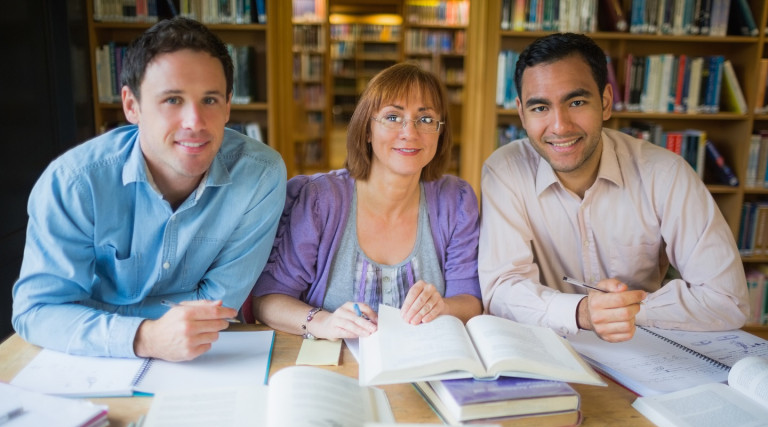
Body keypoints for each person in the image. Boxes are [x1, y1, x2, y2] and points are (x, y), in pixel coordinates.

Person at [12, 17, 286, 360]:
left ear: (228, 105)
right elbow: (38, 311)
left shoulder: (260, 175)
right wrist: (144, 337)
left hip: (207, 357)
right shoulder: (74, 183)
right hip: (90, 365)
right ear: (131, 105)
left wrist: (93, 316)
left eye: (210, 100)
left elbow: (218, 307)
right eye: (172, 99)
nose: (195, 122)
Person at [479, 32, 749, 343]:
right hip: (547, 348)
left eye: (576, 102)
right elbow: (501, 290)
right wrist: (582, 312)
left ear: (605, 103)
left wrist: (622, 311)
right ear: (522, 113)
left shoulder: (665, 173)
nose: (560, 126)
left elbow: (729, 299)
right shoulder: (505, 171)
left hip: (640, 347)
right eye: (540, 108)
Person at [251, 62, 482, 340]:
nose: (410, 132)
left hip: (423, 372)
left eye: (426, 119)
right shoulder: (320, 200)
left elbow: (469, 300)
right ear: (367, 130)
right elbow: (267, 300)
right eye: (393, 117)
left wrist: (443, 307)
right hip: (335, 371)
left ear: (440, 132)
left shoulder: (456, 202)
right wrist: (322, 322)